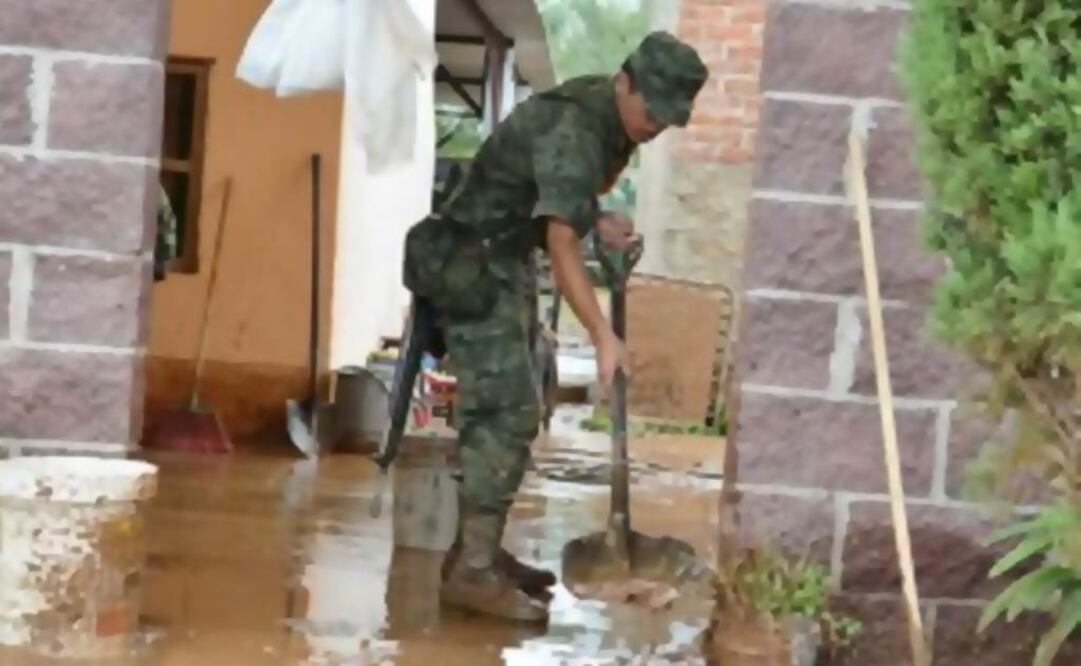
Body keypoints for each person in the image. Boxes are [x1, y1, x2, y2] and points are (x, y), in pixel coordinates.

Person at [403, 31, 709, 622]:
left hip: (502, 259)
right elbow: (561, 243)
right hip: (468, 263)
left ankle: (475, 554)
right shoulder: (578, 127)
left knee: (516, 405)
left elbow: (562, 205)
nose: (655, 127)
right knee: (506, 412)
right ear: (624, 82)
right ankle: (471, 573)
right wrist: (602, 336)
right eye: (651, 111)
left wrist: (599, 218)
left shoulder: (610, 122)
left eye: (667, 119)